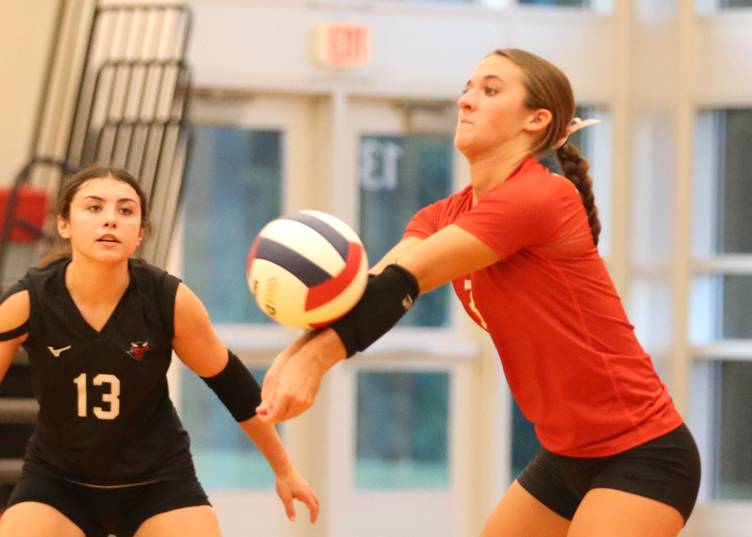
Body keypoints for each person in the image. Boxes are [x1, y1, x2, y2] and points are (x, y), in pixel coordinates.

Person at [256, 49, 701, 537]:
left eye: (489, 90)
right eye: (467, 88)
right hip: (564, 455)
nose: (467, 101)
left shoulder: (543, 197)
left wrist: (316, 363)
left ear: (536, 119)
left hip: (643, 453)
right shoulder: (439, 216)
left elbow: (411, 281)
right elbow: (374, 290)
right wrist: (296, 352)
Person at [0, 166, 319, 537]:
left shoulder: (168, 300)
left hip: (159, 483)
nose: (110, 220)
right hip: (58, 484)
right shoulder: (28, 300)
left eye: (125, 210)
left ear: (140, 234)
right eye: (94, 207)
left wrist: (284, 469)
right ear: (64, 224)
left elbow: (232, 385)